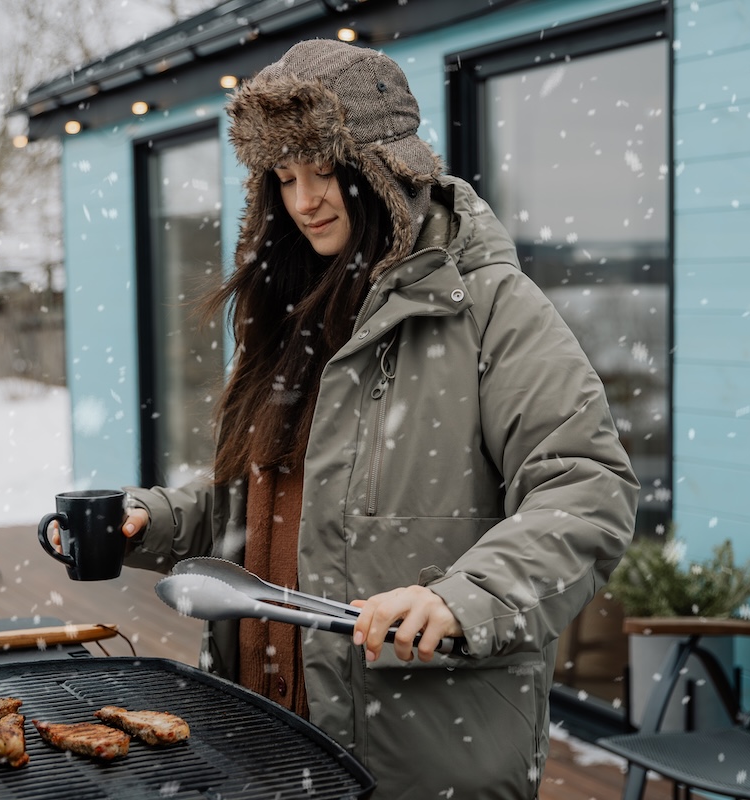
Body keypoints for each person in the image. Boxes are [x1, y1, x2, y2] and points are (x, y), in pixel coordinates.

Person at [56, 39, 638, 799]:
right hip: (266, 731)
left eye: (326, 169)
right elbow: (260, 508)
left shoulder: (492, 307)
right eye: (286, 176)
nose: (305, 201)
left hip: (418, 756)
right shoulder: (290, 317)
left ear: (388, 165)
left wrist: (462, 598)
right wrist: (151, 520)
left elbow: (588, 490)